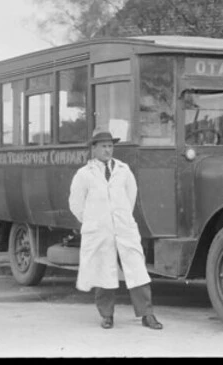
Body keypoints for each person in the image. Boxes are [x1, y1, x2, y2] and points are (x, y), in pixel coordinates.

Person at [68, 128, 163, 330]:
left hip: (124, 228)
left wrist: (120, 217)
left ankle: (147, 314)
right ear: (93, 149)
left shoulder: (123, 170)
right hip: (99, 230)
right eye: (103, 146)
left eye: (110, 146)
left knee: (137, 269)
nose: (108, 150)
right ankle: (107, 315)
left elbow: (131, 195)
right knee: (104, 271)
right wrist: (94, 221)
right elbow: (76, 204)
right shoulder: (84, 174)